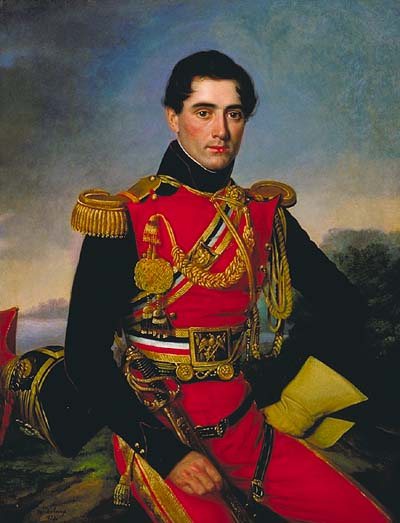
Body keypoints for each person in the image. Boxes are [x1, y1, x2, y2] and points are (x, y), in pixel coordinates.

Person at [2, 50, 391, 523]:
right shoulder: (123, 218)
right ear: (174, 117)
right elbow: (85, 357)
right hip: (159, 432)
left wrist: (290, 404)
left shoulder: (263, 215)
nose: (220, 130)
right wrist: (168, 456)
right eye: (203, 112)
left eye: (234, 114)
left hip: (248, 431)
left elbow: (346, 307)